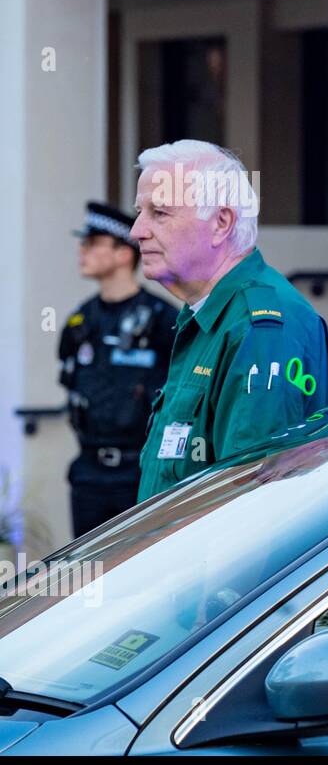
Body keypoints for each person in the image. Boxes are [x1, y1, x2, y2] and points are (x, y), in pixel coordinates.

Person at [130, 139, 328, 501]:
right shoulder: (208, 313)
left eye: (159, 213)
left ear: (221, 223)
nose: (136, 230)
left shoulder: (259, 330)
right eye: (139, 212)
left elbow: (249, 505)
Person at [59, 201, 177, 536]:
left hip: (139, 472)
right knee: (86, 577)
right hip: (88, 473)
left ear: (124, 253)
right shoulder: (80, 320)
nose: (82, 251)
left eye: (92, 243)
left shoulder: (161, 319)